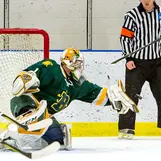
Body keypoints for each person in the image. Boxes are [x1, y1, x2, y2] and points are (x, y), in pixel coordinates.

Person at [0, 47, 138, 150]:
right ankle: (8, 135)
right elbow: (29, 75)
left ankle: (22, 139)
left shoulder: (79, 85)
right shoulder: (52, 67)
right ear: (67, 61)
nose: (79, 66)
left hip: (44, 115)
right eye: (76, 62)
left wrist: (115, 98)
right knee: (37, 116)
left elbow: (99, 95)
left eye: (80, 63)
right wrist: (26, 79)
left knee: (58, 140)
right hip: (25, 103)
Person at [119, 0, 161, 139]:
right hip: (136, 63)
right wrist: (128, 57)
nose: (147, 0)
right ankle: (126, 128)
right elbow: (125, 37)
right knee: (131, 96)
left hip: (157, 62)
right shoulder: (132, 15)